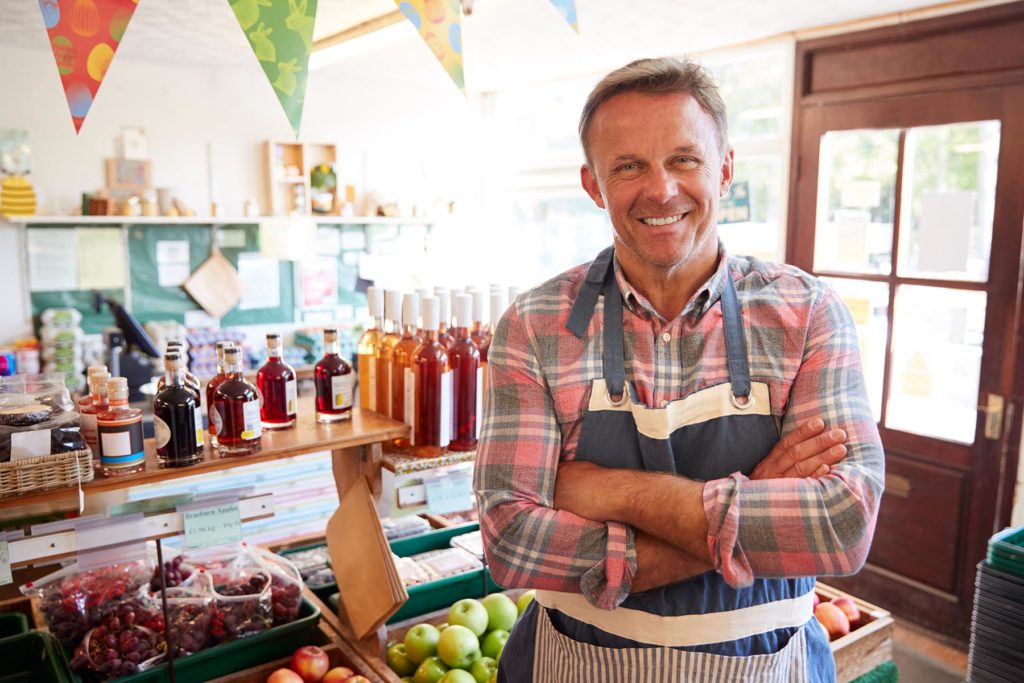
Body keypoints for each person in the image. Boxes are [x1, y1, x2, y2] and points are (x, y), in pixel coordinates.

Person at [473, 56, 884, 682]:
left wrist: (610, 490)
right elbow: (511, 543)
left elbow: (842, 525)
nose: (661, 190)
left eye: (684, 160)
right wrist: (757, 493)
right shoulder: (533, 327)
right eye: (629, 166)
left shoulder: (807, 313)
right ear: (593, 185)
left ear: (724, 168)